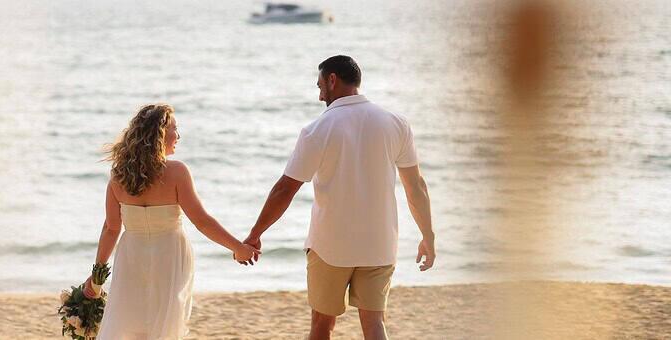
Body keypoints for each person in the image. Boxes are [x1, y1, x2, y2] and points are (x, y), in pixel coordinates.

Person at [241, 55, 436, 340]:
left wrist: (255, 233)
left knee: (322, 325)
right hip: (378, 245)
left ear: (332, 79)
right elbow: (416, 187)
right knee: (375, 325)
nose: (320, 94)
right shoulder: (396, 123)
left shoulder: (318, 129)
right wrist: (428, 236)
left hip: (331, 246)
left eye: (320, 85)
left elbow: (285, 189)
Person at [84, 104, 261, 339]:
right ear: (160, 134)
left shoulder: (118, 175)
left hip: (131, 256)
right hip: (170, 254)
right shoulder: (177, 171)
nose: (179, 136)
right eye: (175, 129)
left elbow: (111, 228)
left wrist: (96, 275)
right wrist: (238, 248)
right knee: (164, 322)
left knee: (131, 321)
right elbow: (202, 220)